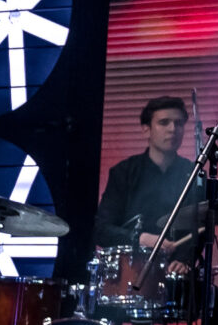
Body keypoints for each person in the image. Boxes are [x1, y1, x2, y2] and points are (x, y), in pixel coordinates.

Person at [81, 95, 199, 298]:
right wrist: (140, 239)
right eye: (164, 122)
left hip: (174, 279)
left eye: (179, 123)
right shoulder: (124, 173)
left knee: (217, 301)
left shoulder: (193, 174)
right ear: (146, 129)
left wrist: (185, 260)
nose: (173, 129)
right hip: (129, 277)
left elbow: (200, 229)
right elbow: (101, 230)